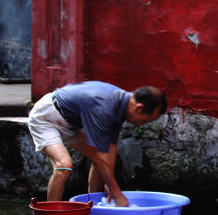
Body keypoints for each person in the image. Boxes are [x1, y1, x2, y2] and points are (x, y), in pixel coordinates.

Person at [28, 81, 167, 206]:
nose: (142, 124)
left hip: (71, 122)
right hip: (46, 117)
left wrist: (109, 181)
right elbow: (101, 157)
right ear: (138, 108)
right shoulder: (104, 107)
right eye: (144, 120)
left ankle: (92, 206)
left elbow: (109, 150)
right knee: (64, 165)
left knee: (101, 162)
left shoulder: (121, 107)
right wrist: (117, 193)